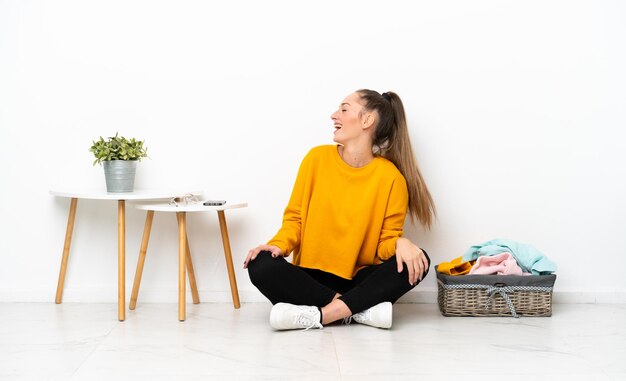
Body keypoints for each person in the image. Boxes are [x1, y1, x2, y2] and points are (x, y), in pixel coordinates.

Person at [244, 89, 436, 330]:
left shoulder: (391, 179)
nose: (334, 115)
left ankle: (321, 315)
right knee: (260, 263)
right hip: (309, 279)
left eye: (344, 109)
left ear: (367, 120)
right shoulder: (316, 159)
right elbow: (294, 220)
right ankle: (355, 311)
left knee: (419, 260)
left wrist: (401, 244)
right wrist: (278, 245)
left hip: (355, 281)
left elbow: (385, 244)